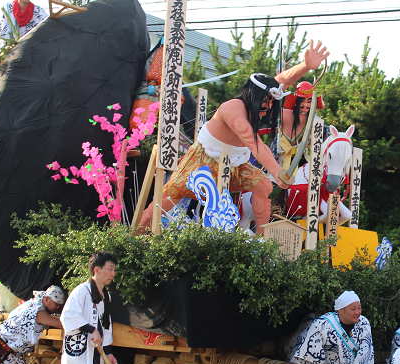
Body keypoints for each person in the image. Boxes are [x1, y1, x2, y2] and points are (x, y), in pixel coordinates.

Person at [141, 41, 329, 235]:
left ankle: (262, 244)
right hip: (202, 162)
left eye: (273, 102)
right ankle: (135, 238)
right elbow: (256, 145)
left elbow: (283, 80)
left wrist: (306, 65)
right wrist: (278, 171)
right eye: (267, 102)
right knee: (159, 207)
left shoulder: (264, 98)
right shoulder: (232, 110)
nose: (271, 107)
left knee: (264, 186)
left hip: (237, 164)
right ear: (256, 98)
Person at [0, 0, 48, 96]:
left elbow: (47, 24)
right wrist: (8, 46)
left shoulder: (37, 10)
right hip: (11, 48)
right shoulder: (9, 9)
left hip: (30, 50)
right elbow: (3, 31)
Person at [277, 81, 324, 171]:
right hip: (280, 160)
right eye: (302, 101)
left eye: (309, 101)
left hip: (303, 161)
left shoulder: (316, 120)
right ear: (296, 101)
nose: (305, 105)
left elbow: (325, 140)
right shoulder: (284, 114)